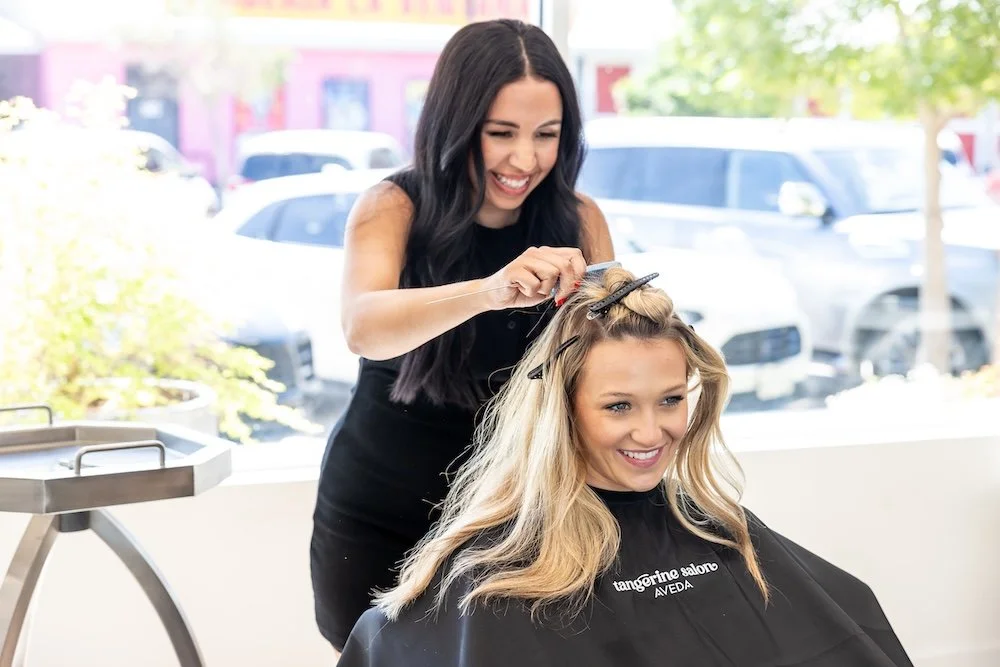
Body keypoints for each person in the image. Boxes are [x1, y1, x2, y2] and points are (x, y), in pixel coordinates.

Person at [337, 268, 914, 667]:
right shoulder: (493, 576)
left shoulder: (712, 525)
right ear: (562, 410)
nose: (651, 431)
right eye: (618, 406)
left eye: (670, 399)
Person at [309, 18, 615, 655]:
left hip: (515, 522)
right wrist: (490, 290)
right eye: (500, 133)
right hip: (381, 512)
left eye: (547, 135)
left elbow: (603, 363)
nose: (524, 159)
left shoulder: (580, 219)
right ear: (456, 122)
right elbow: (363, 327)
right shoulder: (393, 207)